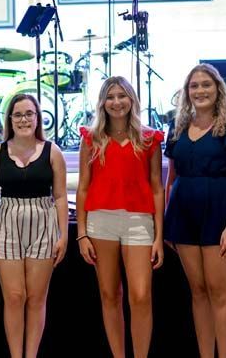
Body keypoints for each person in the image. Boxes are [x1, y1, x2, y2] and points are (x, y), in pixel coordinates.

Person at [163, 63, 226, 358]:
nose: (200, 90)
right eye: (194, 86)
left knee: (219, 293)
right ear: (187, 92)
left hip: (220, 215)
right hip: (183, 215)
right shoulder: (177, 128)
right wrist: (168, 221)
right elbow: (171, 178)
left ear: (218, 88)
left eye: (206, 84)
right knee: (198, 292)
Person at [76, 76, 164, 358]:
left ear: (132, 99)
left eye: (122, 96)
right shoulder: (91, 138)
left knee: (141, 295)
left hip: (139, 221)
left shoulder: (150, 138)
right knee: (109, 294)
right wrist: (81, 232)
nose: (116, 102)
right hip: (100, 222)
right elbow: (83, 187)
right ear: (103, 102)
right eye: (110, 97)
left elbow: (157, 187)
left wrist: (159, 237)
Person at [0, 93, 68, 358]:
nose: (24, 120)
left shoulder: (53, 152)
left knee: (36, 298)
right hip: (6, 224)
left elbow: (60, 196)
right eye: (18, 115)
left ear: (38, 118)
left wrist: (64, 235)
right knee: (14, 297)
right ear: (10, 119)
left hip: (44, 224)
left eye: (29, 114)